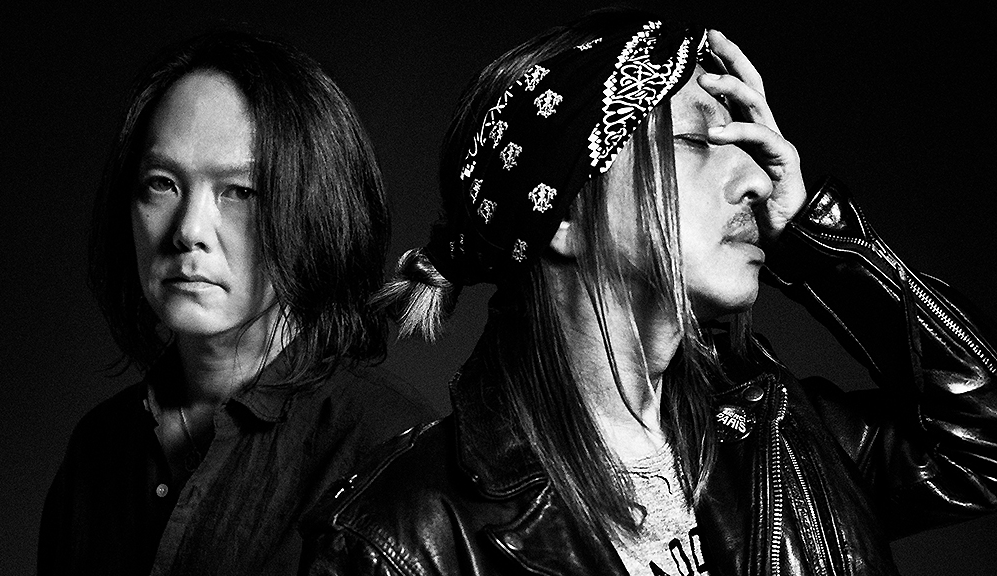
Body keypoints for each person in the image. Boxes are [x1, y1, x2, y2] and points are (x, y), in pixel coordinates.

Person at [299, 8, 997, 576]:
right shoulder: (404, 540)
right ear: (563, 214)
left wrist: (817, 240)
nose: (758, 181)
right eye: (698, 140)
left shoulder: (780, 435)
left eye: (745, 145)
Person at [37, 30, 433, 575]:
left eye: (240, 192)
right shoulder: (97, 449)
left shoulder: (390, 450)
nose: (189, 231)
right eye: (162, 184)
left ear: (315, 211)